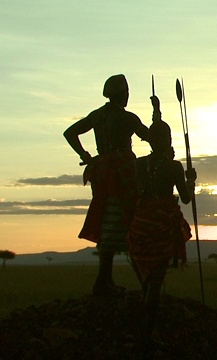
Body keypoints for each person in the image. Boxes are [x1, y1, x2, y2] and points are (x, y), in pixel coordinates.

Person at [63, 74, 150, 297]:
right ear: (124, 95)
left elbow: (70, 132)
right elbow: (153, 138)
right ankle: (137, 282)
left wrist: (86, 155)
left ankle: (105, 280)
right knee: (126, 218)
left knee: (107, 217)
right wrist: (157, 117)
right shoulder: (128, 118)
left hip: (102, 173)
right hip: (122, 174)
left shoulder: (97, 116)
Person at [127, 105, 196, 340]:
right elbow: (186, 199)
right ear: (167, 140)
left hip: (141, 222)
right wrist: (191, 181)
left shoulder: (139, 164)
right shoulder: (174, 167)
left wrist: (157, 112)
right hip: (163, 224)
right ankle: (148, 329)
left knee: (150, 278)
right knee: (156, 280)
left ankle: (147, 317)